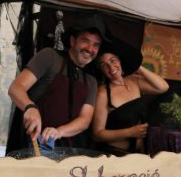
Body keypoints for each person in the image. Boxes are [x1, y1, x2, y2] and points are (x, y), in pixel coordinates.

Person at [6, 14, 110, 154]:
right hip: (34, 147)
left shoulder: (91, 81)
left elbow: (85, 120)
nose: (90, 49)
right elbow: (15, 88)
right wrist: (30, 107)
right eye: (85, 41)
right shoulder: (50, 57)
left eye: (95, 45)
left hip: (68, 153)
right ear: (73, 41)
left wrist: (58, 132)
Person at [92, 38, 169, 156]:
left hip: (139, 154)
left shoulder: (134, 81)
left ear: (120, 61)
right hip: (114, 154)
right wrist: (129, 132)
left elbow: (163, 87)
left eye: (113, 61)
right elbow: (97, 134)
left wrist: (138, 68)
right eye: (104, 65)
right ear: (101, 70)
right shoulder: (103, 93)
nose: (111, 67)